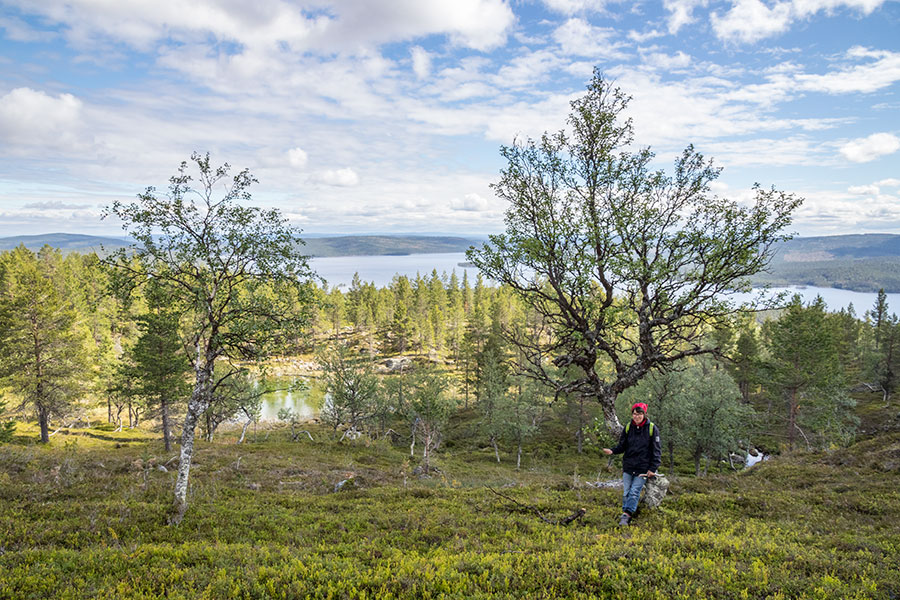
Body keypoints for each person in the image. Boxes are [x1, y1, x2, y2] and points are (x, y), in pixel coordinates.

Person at [602, 402, 661, 526]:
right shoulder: (628, 427)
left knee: (634, 491)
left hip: (643, 467)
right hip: (628, 466)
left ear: (644, 414)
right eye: (634, 414)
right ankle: (626, 512)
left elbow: (657, 451)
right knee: (626, 492)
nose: (636, 416)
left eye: (639, 414)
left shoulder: (652, 428)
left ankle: (627, 515)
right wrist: (612, 450)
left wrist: (653, 468)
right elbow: (622, 446)